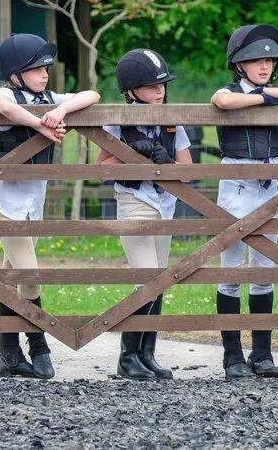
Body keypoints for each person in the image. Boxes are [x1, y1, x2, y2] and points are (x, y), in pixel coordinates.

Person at [0, 33, 100, 378]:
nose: (44, 74)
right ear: (16, 74)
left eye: (46, 68)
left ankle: (8, 354)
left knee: (12, 275)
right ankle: (39, 346)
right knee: (30, 275)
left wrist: (59, 110)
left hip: (34, 199)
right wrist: (40, 124)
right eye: (36, 69)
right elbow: (1, 106)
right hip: (5, 199)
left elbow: (92, 94)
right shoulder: (6, 93)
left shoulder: (50, 97)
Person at [211, 24, 278, 379]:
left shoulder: (276, 89)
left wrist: (268, 93)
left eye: (269, 60)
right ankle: (232, 356)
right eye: (256, 60)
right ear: (239, 64)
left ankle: (263, 353)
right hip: (236, 180)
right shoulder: (229, 90)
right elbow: (223, 102)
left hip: (269, 182)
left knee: (265, 270)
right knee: (232, 269)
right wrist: (264, 98)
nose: (264, 66)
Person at [97, 49, 191, 380]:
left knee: (159, 279)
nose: (160, 91)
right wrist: (133, 154)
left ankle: (146, 353)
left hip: (164, 203)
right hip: (134, 198)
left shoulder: (172, 120)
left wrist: (165, 158)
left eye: (162, 85)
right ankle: (127, 356)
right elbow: (103, 169)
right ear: (132, 90)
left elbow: (188, 170)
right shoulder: (118, 119)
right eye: (152, 86)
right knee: (147, 276)